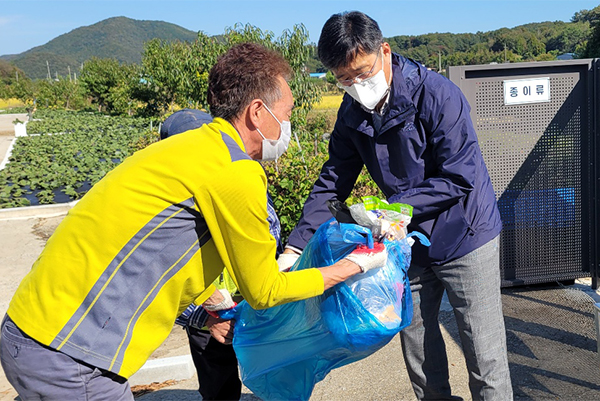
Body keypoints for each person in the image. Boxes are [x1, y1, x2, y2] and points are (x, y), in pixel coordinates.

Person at [0, 42, 387, 401]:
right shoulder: (235, 170)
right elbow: (265, 292)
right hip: (71, 357)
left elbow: (158, 247)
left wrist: (207, 304)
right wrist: (353, 266)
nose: (288, 126)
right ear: (257, 112)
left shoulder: (187, 148)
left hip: (33, 330)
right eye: (286, 114)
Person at [281, 11, 513, 401]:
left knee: (484, 355)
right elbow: (333, 179)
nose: (356, 85)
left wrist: (396, 210)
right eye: (344, 79)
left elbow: (460, 176)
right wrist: (295, 246)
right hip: (407, 243)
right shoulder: (352, 112)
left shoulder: (437, 94)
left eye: (362, 71)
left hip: (466, 235)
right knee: (420, 351)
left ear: (384, 51)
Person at [161, 108, 284, 400]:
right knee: (219, 384)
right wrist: (203, 316)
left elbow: (270, 228)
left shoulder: (238, 174)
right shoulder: (167, 206)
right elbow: (161, 279)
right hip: (208, 310)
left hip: (253, 299)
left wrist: (269, 276)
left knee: (275, 371)